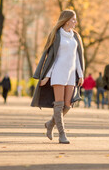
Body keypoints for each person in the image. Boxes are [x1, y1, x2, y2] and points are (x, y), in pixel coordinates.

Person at [31, 9, 84, 144]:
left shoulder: (75, 36)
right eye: (73, 19)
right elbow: (51, 58)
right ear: (66, 20)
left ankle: (50, 124)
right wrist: (47, 77)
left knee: (68, 105)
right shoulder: (56, 35)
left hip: (71, 74)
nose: (75, 22)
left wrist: (81, 74)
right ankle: (62, 134)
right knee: (59, 105)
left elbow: (78, 56)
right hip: (58, 73)